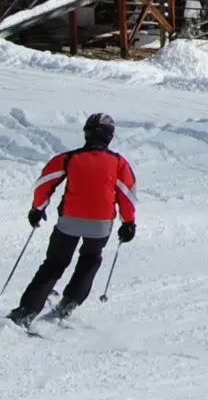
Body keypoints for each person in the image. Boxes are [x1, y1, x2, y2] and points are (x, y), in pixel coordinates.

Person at [8, 112, 136, 328]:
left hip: (70, 221)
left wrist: (37, 209)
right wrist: (128, 223)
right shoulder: (118, 162)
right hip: (101, 224)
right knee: (90, 259)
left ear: (86, 133)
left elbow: (44, 183)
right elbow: (127, 193)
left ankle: (26, 310)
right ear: (110, 137)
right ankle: (70, 301)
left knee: (55, 263)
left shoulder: (69, 158)